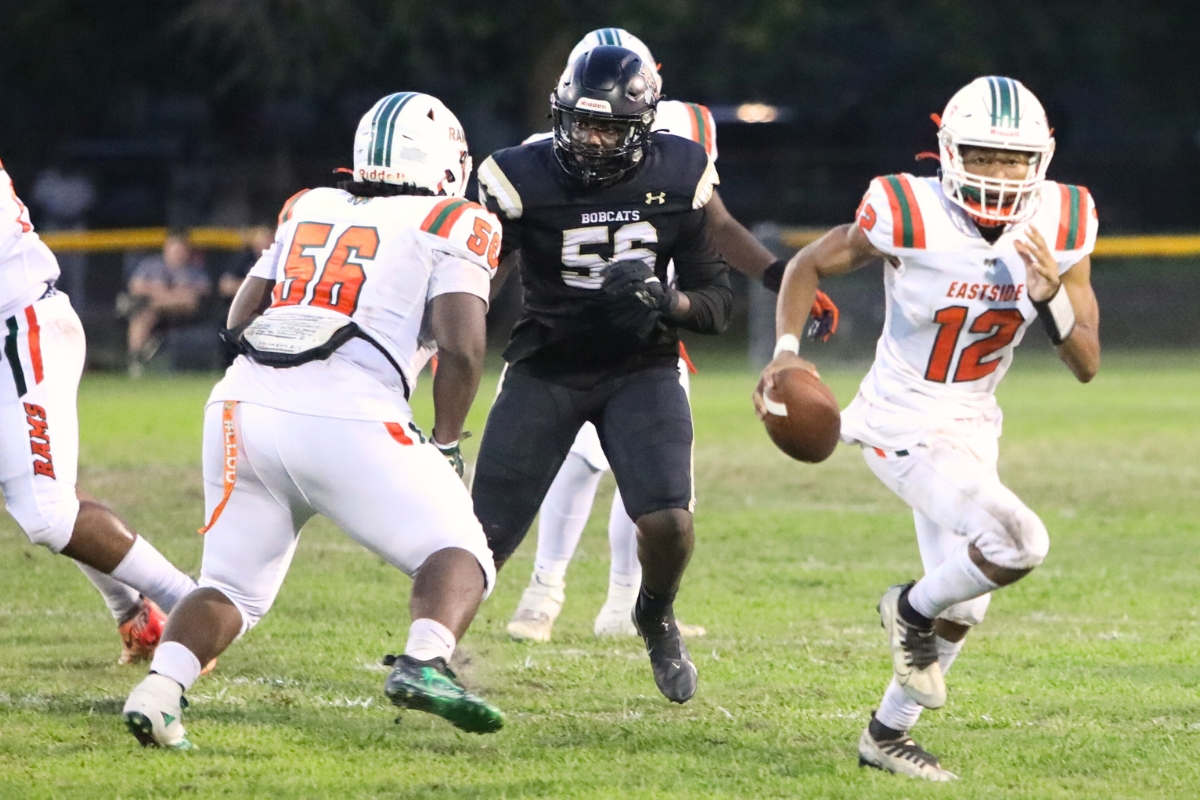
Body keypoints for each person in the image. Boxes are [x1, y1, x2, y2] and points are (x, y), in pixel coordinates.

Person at [122, 92, 504, 749]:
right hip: (346, 408)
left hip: (242, 403)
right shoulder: (455, 219)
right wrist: (444, 441)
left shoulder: (307, 205)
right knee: (462, 551)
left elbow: (239, 319)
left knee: (232, 588)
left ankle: (157, 695)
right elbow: (463, 347)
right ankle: (425, 659)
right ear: (444, 161)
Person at [756, 76, 1100, 780]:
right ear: (947, 150)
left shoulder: (1064, 221)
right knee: (1021, 540)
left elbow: (1087, 361)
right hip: (901, 418)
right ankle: (906, 609)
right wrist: (785, 354)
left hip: (975, 422)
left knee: (968, 599)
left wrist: (1051, 299)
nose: (998, 174)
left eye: (1013, 160)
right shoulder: (907, 210)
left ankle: (886, 735)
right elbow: (808, 261)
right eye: (981, 155)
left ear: (1042, 158)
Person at [506, 28, 840, 643]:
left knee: (655, 483)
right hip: (563, 331)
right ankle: (541, 593)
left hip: (652, 320)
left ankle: (619, 602)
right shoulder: (535, 157)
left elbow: (717, 227)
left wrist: (778, 275)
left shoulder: (682, 138)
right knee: (573, 464)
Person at [473, 46, 733, 704]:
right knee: (483, 536)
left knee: (671, 521)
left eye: (609, 127)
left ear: (641, 125)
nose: (591, 139)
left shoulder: (680, 172)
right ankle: (431, 648)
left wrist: (665, 300)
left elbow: (714, 303)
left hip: (640, 366)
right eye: (580, 123)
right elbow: (476, 283)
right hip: (548, 365)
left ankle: (653, 613)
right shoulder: (518, 175)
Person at [0, 158, 199, 664]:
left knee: (45, 508)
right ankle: (135, 611)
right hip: (14, 331)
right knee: (43, 493)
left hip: (21, 330)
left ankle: (189, 606)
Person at [124, 231, 211, 375]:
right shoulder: (152, 264)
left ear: (186, 252)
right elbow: (135, 286)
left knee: (184, 302)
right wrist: (172, 294)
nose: (176, 253)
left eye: (180, 249)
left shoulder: (193, 270)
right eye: (173, 248)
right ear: (166, 249)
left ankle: (151, 348)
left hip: (183, 315)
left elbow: (195, 297)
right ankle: (136, 360)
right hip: (155, 313)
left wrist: (158, 294)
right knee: (142, 316)